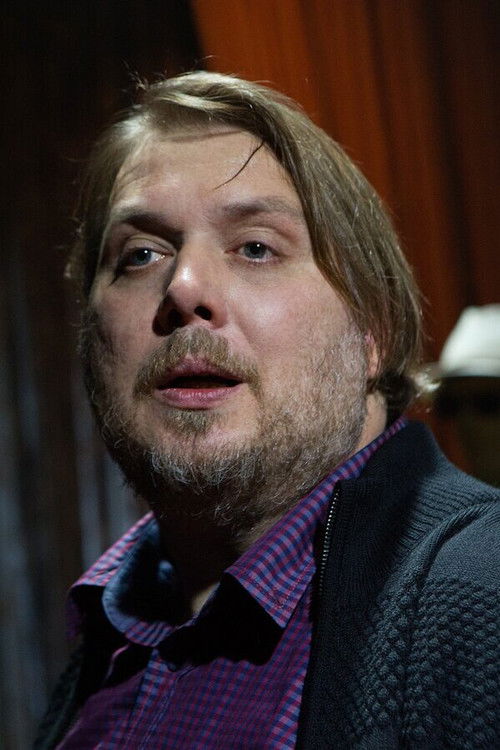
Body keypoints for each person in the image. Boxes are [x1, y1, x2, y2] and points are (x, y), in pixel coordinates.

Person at [36, 72, 500, 749]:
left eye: (256, 247)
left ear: (372, 329)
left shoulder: (482, 597)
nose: (184, 287)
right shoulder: (106, 632)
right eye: (140, 255)